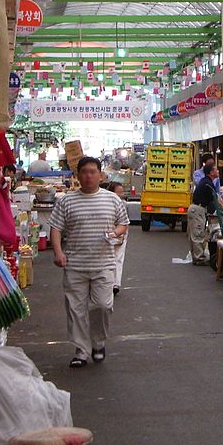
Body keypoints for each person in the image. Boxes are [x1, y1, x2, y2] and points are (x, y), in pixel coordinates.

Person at [50, 156, 129, 368]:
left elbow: (123, 223)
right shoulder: (66, 201)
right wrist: (58, 252)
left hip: (103, 263)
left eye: (93, 172)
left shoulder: (112, 199)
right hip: (75, 264)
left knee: (102, 306)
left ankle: (98, 343)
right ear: (77, 175)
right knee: (75, 310)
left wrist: (115, 232)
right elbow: (56, 228)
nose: (88, 176)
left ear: (100, 175)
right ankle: (81, 350)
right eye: (84, 172)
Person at [188, 163, 222, 265]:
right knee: (198, 234)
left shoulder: (207, 182)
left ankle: (197, 257)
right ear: (211, 172)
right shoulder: (208, 183)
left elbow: (215, 198)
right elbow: (215, 199)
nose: (218, 171)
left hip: (197, 209)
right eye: (216, 170)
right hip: (197, 209)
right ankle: (199, 259)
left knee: (196, 233)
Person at [107, 182, 128, 295]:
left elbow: (125, 223)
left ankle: (115, 284)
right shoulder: (106, 202)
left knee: (117, 258)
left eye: (121, 192)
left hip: (119, 233)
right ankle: (111, 283)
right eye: (118, 193)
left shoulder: (122, 203)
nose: (120, 195)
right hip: (109, 233)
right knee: (113, 258)